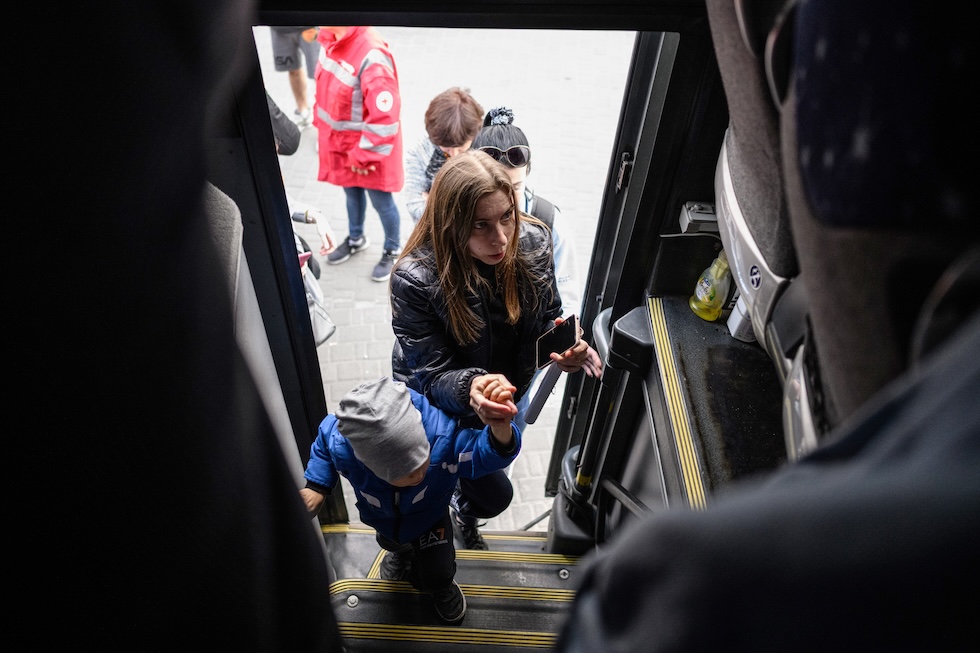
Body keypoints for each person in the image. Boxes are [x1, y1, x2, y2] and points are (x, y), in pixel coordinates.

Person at [389, 150, 602, 550]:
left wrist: (566, 347)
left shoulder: (534, 239)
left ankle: (462, 514)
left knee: (489, 488)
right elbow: (432, 373)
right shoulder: (415, 279)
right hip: (440, 409)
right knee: (483, 491)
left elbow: (548, 316)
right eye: (480, 225)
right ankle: (429, 535)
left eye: (507, 216)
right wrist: (474, 388)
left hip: (506, 396)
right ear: (449, 224)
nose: (501, 238)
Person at [300, 375, 522, 624]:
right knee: (391, 543)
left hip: (430, 516)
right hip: (382, 519)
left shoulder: (443, 437)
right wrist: (317, 486)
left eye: (422, 460)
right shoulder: (343, 444)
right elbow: (324, 447)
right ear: (371, 466)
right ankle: (402, 554)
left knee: (438, 570)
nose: (418, 474)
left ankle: (442, 588)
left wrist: (500, 429)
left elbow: (482, 454)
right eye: (403, 473)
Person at [472, 106, 584, 432]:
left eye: (515, 189)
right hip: (469, 356)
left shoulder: (548, 222)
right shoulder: (454, 218)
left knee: (508, 426)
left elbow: (566, 295)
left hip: (521, 360)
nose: (505, 207)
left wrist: (566, 339)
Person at [314, 25, 405, 282]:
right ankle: (356, 238)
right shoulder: (330, 40)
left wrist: (364, 157)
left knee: (382, 203)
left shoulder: (371, 55)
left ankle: (393, 249)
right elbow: (323, 89)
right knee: (351, 193)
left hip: (368, 152)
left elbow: (384, 118)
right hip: (344, 148)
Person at [404, 87, 485, 223]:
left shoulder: (486, 146)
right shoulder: (420, 152)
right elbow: (415, 206)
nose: (453, 156)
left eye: (461, 148)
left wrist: (434, 202)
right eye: (447, 149)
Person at [270, 26, 321, 127]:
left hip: (309, 25)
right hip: (280, 26)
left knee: (319, 72)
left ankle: (324, 112)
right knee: (293, 69)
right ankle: (303, 112)